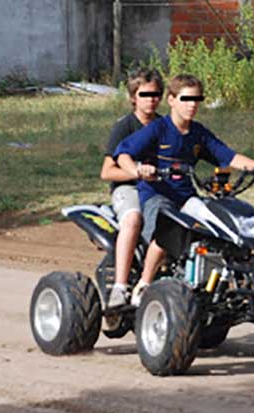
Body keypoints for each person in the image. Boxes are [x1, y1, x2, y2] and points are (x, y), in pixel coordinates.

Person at [114, 74, 254, 305]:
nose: (192, 105)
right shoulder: (157, 129)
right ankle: (144, 284)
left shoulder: (198, 133)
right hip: (157, 196)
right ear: (171, 100)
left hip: (187, 198)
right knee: (169, 229)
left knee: (219, 226)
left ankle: (226, 284)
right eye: (186, 99)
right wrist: (136, 170)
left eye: (197, 100)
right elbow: (123, 154)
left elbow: (228, 156)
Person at [100, 68, 164, 308]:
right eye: (145, 94)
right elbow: (107, 171)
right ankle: (120, 286)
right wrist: (136, 172)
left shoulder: (165, 126)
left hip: (159, 189)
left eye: (156, 94)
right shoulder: (125, 127)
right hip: (129, 189)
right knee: (134, 219)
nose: (151, 100)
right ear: (133, 97)